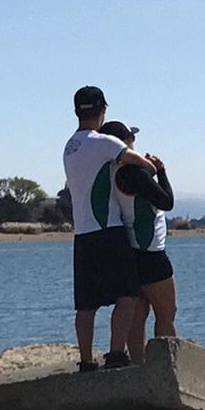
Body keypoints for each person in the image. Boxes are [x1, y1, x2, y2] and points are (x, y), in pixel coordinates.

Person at [63, 86, 157, 371]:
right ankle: (116, 354)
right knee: (127, 295)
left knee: (86, 304)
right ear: (102, 110)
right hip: (109, 229)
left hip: (82, 234)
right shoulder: (102, 142)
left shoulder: (70, 147)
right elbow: (141, 165)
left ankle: (86, 360)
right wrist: (151, 165)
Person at [99, 121, 175, 362]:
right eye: (131, 140)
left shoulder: (109, 170)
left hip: (130, 247)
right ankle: (164, 365)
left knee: (139, 312)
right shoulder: (132, 171)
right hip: (150, 249)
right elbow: (166, 202)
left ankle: (140, 363)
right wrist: (161, 171)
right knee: (166, 312)